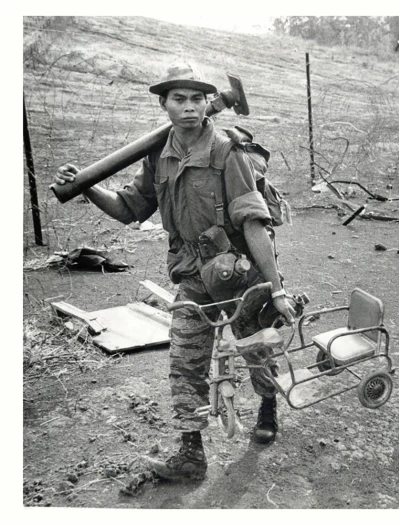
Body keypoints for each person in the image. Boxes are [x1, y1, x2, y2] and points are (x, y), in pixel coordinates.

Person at [54, 62, 296, 481]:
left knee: (256, 348)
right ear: (163, 104)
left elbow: (255, 222)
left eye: (197, 99)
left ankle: (267, 407)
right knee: (185, 361)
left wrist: (275, 288)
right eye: (179, 99)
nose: (189, 108)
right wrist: (86, 185)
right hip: (190, 274)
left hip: (240, 271)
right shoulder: (158, 155)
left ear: (207, 104)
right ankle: (190, 454)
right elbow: (130, 207)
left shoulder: (227, 151)